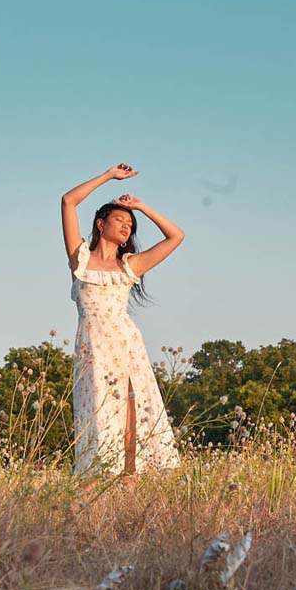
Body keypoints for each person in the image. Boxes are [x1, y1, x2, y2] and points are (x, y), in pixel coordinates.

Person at [61, 163, 185, 479]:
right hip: (93, 351)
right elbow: (68, 201)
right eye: (120, 219)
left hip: (127, 348)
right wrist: (107, 176)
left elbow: (176, 236)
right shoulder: (81, 259)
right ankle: (93, 492)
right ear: (100, 224)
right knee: (99, 421)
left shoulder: (130, 265)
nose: (127, 226)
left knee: (132, 422)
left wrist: (140, 207)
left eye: (131, 224)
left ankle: (128, 494)